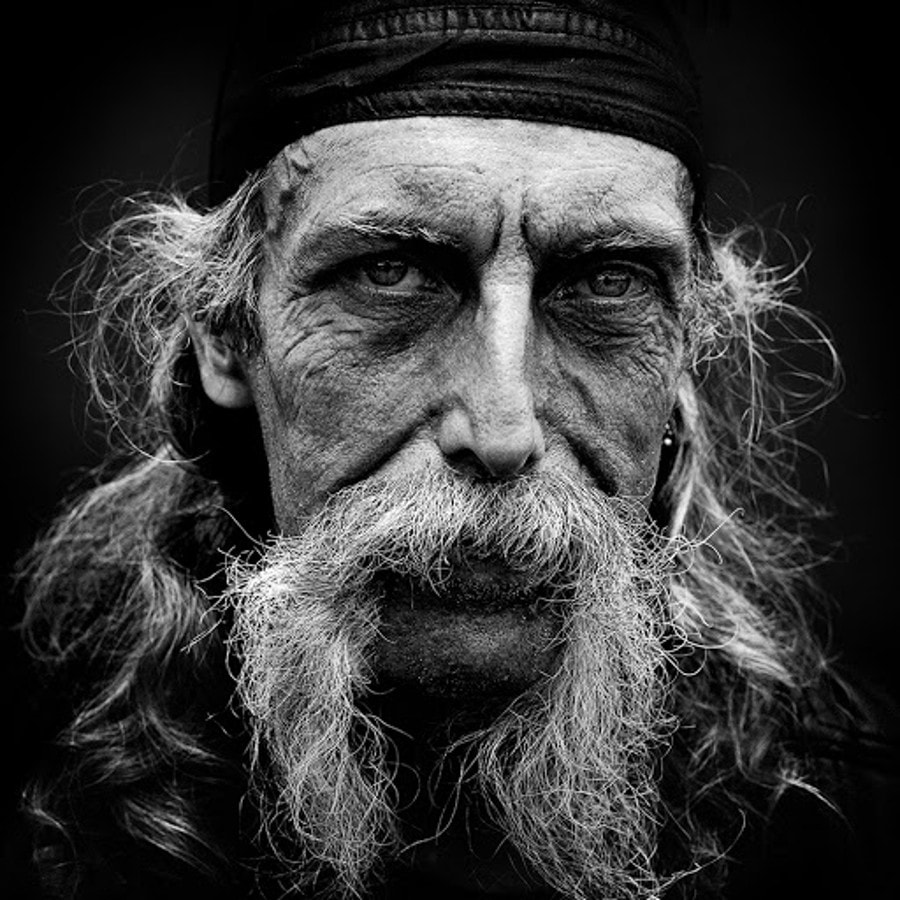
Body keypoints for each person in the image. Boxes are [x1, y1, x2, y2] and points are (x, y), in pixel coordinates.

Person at [6, 2, 897, 898]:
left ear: (683, 352)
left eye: (606, 283)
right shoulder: (46, 810)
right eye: (389, 274)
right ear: (227, 332)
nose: (504, 431)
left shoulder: (840, 825)